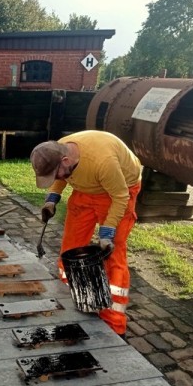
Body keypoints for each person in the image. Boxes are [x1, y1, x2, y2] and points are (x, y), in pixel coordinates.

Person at [30, 130, 142, 336]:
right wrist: (52, 198)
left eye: (56, 173)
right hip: (85, 189)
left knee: (112, 257)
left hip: (118, 192)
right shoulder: (60, 149)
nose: (56, 177)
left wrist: (107, 232)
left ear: (66, 160)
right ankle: (74, 296)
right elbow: (60, 176)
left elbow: (120, 197)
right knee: (71, 250)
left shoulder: (103, 161)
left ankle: (114, 323)